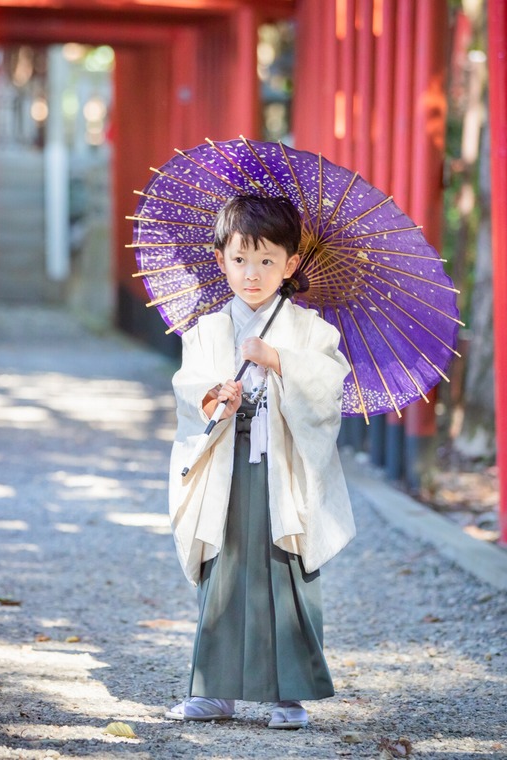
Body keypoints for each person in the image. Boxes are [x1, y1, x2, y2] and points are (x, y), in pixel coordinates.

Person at [163, 195, 356, 729]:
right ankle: (214, 691)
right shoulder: (206, 331)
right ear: (221, 260)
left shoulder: (312, 332)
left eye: (267, 260)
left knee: (285, 573)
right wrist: (213, 397)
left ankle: (288, 696)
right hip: (226, 468)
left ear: (291, 265)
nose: (252, 273)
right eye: (240, 259)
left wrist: (280, 361)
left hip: (283, 470)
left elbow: (328, 391)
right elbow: (187, 389)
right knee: (223, 572)